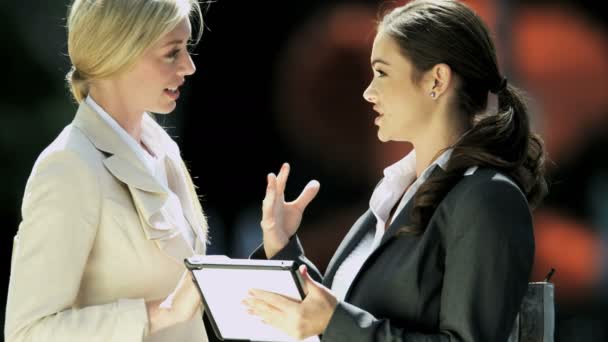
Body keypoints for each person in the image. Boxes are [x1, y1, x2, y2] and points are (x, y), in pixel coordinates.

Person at [243, 0, 547, 341]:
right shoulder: (396, 193)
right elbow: (343, 311)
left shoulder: (487, 197)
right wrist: (283, 246)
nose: (368, 92)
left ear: (437, 79)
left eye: (382, 72)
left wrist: (335, 322)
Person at [5, 1, 210, 341]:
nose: (188, 67)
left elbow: (193, 301)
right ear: (121, 53)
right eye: (172, 53)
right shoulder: (68, 166)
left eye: (186, 50)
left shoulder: (162, 148)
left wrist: (274, 250)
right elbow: (27, 332)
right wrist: (161, 313)